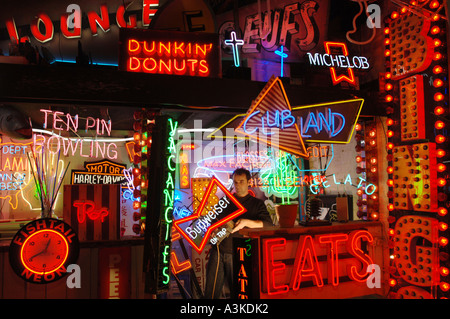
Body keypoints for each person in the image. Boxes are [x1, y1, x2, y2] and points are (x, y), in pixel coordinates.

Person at [204, 168, 272, 299]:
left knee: (239, 293)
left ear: (248, 182)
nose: (238, 185)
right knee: (210, 293)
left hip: (239, 254)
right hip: (218, 250)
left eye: (241, 181)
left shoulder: (257, 204)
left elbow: (268, 224)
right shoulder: (225, 201)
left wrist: (247, 222)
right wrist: (213, 229)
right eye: (235, 182)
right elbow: (212, 222)